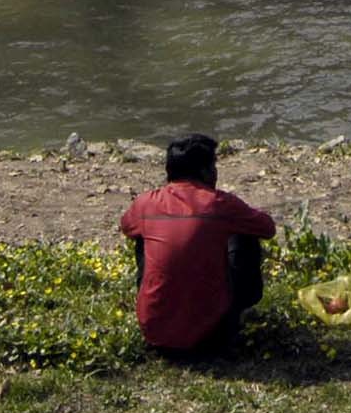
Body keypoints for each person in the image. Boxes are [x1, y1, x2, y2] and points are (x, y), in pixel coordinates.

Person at [118, 133, 276, 356]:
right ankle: (236, 309)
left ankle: (163, 307)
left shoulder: (146, 203)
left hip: (156, 334)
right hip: (214, 336)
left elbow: (126, 226)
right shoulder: (221, 203)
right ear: (205, 171)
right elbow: (267, 228)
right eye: (213, 167)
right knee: (246, 234)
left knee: (143, 237)